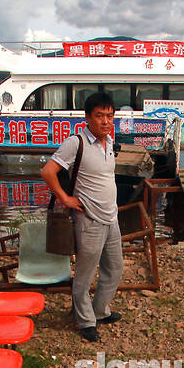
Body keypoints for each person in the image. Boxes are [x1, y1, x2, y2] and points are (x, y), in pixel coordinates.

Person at [42, 92, 123, 343]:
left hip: (112, 217)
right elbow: (48, 171)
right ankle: (85, 320)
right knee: (85, 274)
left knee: (115, 268)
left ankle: (99, 310)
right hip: (89, 219)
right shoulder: (75, 143)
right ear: (88, 118)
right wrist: (65, 199)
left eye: (109, 116)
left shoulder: (109, 142)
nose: (105, 121)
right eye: (99, 116)